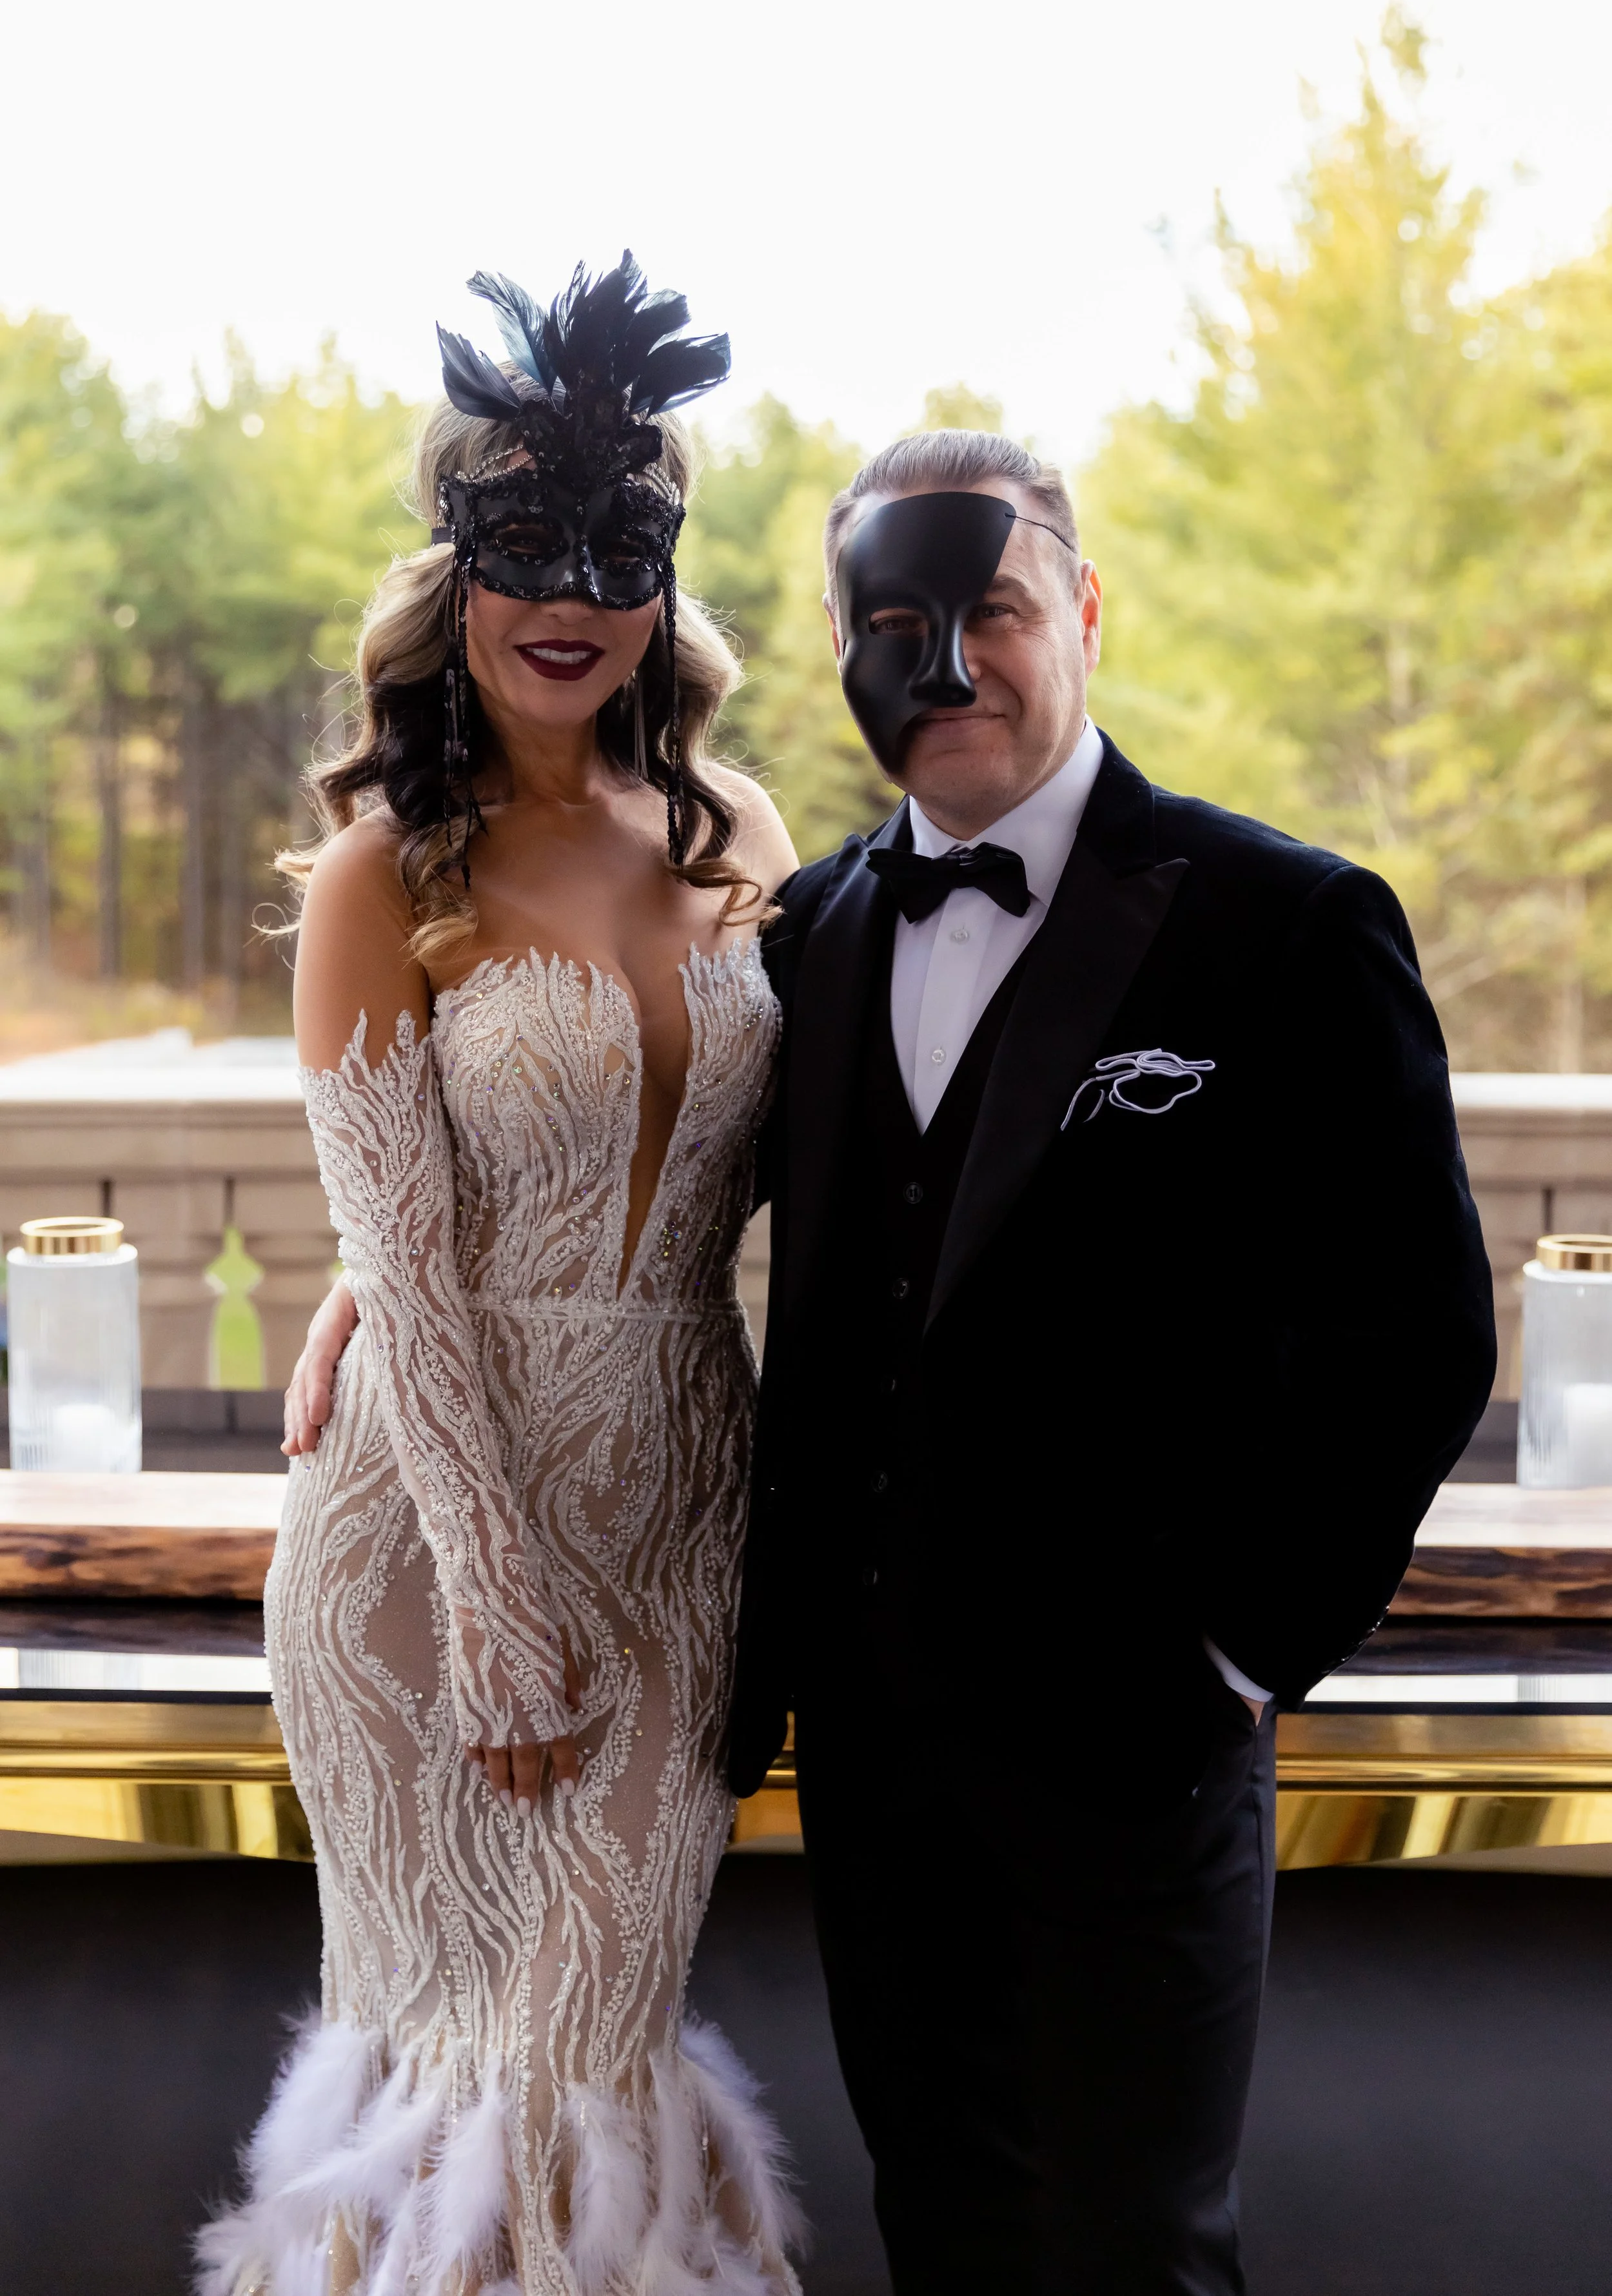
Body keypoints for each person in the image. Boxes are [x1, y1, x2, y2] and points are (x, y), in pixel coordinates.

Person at [290, 423, 1497, 2295]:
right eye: (893, 621)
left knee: (1125, 2249)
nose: (947, 665)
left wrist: (1235, 1649)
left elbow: (1414, 1323)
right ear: (841, 644)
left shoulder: (1279, 923)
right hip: (847, 1721)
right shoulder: (826, 916)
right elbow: (567, 1144)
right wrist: (372, 1276)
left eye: (993, 610)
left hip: (1127, 1743)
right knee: (915, 2223)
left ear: (1080, 612)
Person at [210, 258, 800, 2296]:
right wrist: (489, 1595)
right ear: (454, 574)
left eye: (618, 543)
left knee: (591, 2053)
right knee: (459, 2070)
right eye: (523, 540)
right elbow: (403, 1242)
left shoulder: (739, 838)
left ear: (665, 582)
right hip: (427, 1552)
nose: (573, 589)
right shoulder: (392, 868)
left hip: (680, 1516)